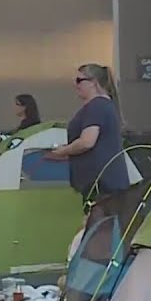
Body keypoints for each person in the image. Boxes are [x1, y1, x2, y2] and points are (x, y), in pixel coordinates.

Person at [45, 64, 131, 207]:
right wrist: (66, 153)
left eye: (79, 80)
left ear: (94, 83)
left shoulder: (96, 106)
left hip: (101, 183)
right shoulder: (104, 106)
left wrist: (63, 151)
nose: (75, 84)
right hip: (104, 182)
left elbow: (87, 142)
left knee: (97, 223)